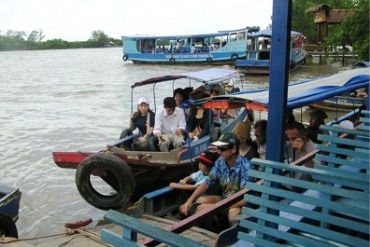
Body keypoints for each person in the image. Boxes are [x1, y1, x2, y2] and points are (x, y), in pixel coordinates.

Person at [179, 132, 255, 221]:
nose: (218, 151)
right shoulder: (220, 162)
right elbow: (206, 183)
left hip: (240, 203)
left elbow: (244, 199)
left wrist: (214, 206)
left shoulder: (246, 167)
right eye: (218, 148)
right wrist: (189, 201)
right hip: (225, 198)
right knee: (200, 201)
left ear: (233, 149)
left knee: (233, 214)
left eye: (222, 149)